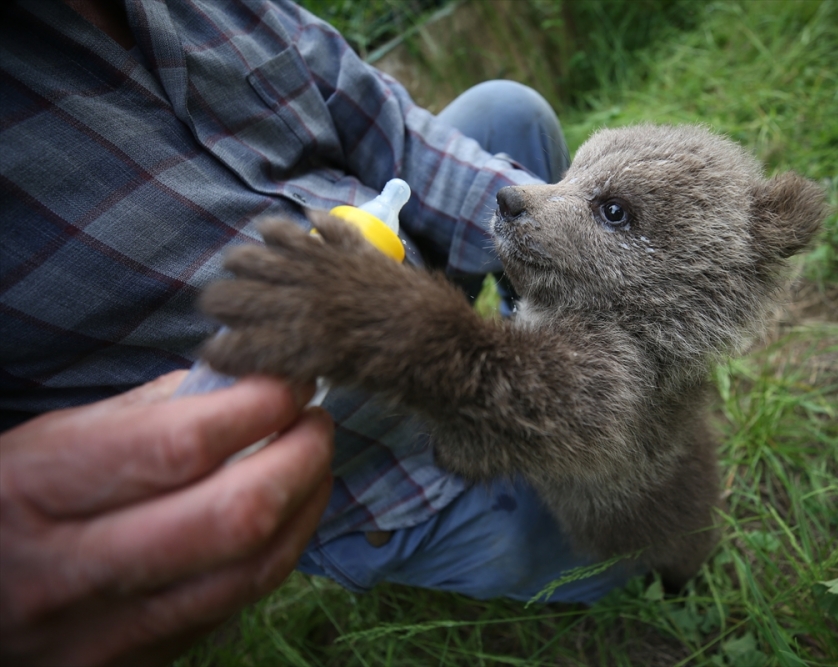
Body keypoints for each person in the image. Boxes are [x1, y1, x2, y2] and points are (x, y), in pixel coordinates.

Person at [0, 0, 634, 663]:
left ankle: (536, 332)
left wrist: (565, 252)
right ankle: (435, 521)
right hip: (370, 464)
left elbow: (389, 125)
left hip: (399, 253)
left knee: (509, 112)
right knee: (622, 557)